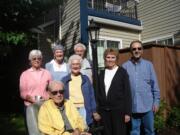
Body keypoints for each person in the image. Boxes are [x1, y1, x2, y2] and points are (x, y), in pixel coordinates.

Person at [122, 40, 160, 135]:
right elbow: (122, 89)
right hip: (133, 107)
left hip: (147, 106)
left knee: (150, 131)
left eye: (139, 48)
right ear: (131, 51)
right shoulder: (125, 67)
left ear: (142, 50)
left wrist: (156, 102)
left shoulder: (149, 65)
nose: (137, 50)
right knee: (134, 132)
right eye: (134, 49)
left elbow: (154, 85)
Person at [97, 48, 132, 135]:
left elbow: (127, 93)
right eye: (108, 57)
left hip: (118, 112)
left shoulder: (122, 73)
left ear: (116, 58)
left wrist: (127, 113)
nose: (110, 60)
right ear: (105, 58)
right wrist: (97, 110)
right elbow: (98, 92)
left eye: (113, 57)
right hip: (104, 112)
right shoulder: (101, 73)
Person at [62, 54, 100, 127]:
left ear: (80, 66)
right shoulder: (65, 80)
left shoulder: (86, 79)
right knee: (73, 130)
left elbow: (91, 96)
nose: (75, 66)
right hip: (71, 109)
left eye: (77, 64)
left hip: (84, 109)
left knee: (84, 129)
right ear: (70, 66)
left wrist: (94, 111)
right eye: (73, 64)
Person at [19, 49, 52, 134]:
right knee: (32, 130)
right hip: (30, 106)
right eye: (34, 58)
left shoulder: (47, 73)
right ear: (30, 60)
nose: (37, 60)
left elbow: (51, 88)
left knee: (45, 130)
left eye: (39, 58)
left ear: (41, 60)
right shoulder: (25, 74)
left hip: (45, 105)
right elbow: (22, 93)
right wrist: (33, 101)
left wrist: (48, 97)